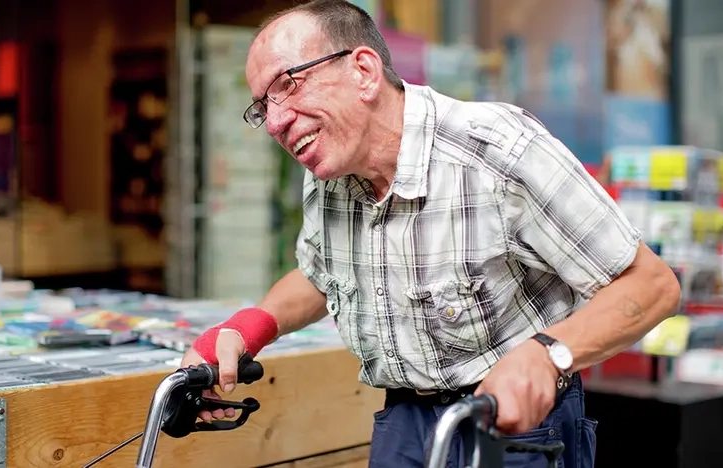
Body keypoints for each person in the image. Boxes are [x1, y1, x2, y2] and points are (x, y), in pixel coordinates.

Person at [180, 1, 682, 466]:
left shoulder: (498, 151)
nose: (274, 122)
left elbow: (651, 285)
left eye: (287, 85)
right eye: (262, 106)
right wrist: (247, 329)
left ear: (363, 71)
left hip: (514, 425)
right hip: (404, 420)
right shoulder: (329, 172)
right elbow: (320, 274)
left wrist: (549, 354)